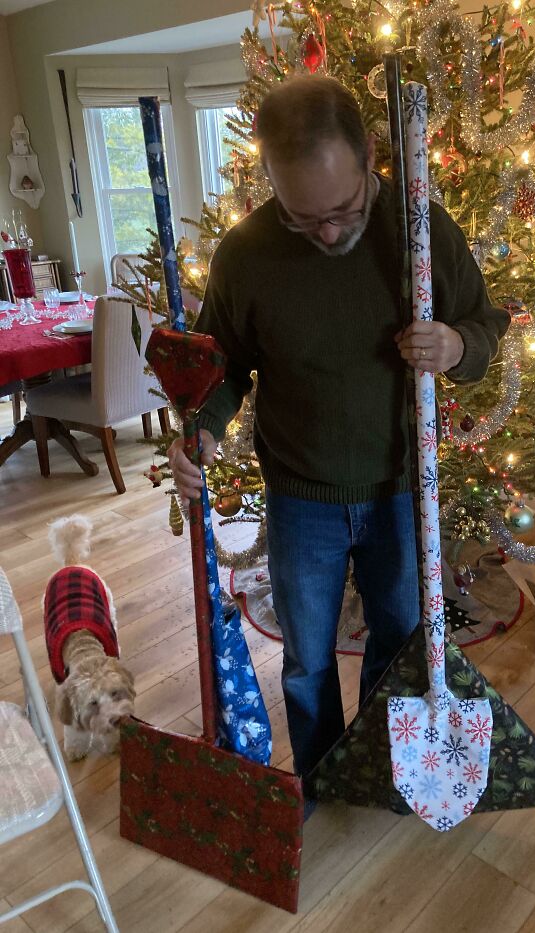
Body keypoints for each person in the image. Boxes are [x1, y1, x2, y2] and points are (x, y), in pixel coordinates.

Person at [168, 76, 510, 791]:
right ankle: (324, 777)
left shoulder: (417, 228)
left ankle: (382, 770)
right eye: (302, 217)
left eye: (343, 208)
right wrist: (200, 429)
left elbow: (486, 324)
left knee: (396, 642)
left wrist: (454, 345)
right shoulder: (248, 253)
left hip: (399, 488)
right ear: (271, 183)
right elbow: (221, 366)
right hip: (301, 497)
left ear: (369, 158)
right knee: (306, 659)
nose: (327, 231)